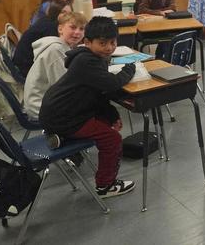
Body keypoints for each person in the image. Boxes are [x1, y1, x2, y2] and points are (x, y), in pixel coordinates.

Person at [39, 17, 136, 198]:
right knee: (112, 139)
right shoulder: (87, 62)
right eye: (102, 43)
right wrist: (130, 70)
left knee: (107, 123)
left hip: (65, 111)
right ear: (87, 42)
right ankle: (105, 186)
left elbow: (97, 94)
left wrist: (112, 115)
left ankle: (60, 136)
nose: (109, 48)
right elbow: (112, 84)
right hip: (65, 116)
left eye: (113, 42)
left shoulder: (92, 57)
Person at [23, 11, 87, 120]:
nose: (77, 32)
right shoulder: (55, 51)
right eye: (73, 27)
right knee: (91, 107)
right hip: (41, 106)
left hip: (47, 100)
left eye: (81, 29)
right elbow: (63, 86)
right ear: (60, 29)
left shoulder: (64, 47)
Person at [13, 1, 72, 78]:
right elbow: (56, 54)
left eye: (70, 13)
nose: (67, 16)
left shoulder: (46, 20)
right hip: (27, 69)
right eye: (63, 13)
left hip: (25, 64)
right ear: (55, 12)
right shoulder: (50, 27)